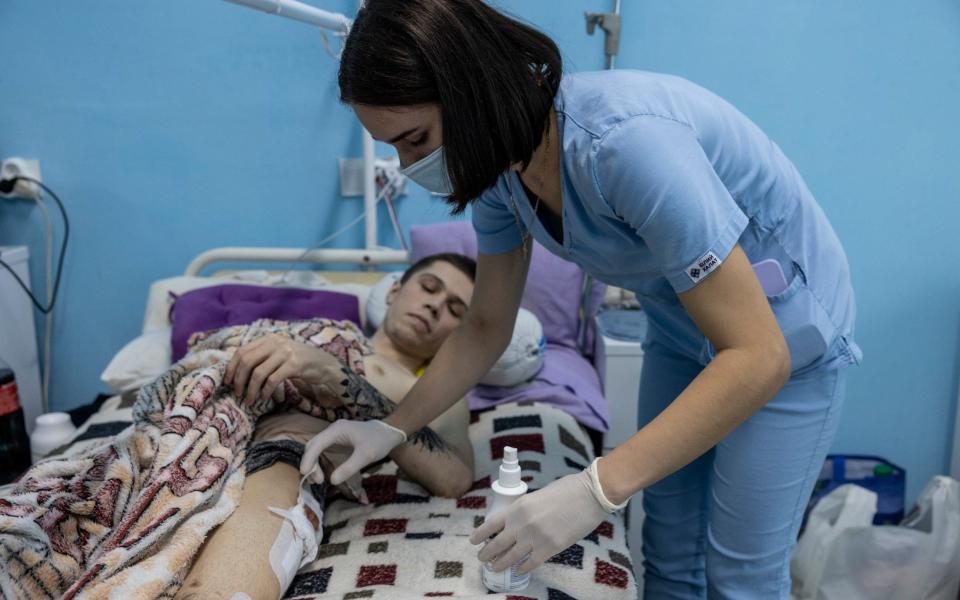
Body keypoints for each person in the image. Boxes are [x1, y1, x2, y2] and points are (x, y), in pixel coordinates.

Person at [297, 1, 862, 598]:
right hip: (679, 331)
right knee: (668, 550)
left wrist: (595, 489)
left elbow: (758, 354)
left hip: (783, 346)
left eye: (416, 139)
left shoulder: (628, 146)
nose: (410, 167)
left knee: (740, 571)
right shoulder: (498, 173)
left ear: (471, 92)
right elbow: (486, 323)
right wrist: (392, 427)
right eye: (395, 150)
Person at [177, 253, 477, 600]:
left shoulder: (441, 395)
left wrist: (335, 375)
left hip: (287, 457)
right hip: (202, 435)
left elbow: (454, 479)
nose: (435, 306)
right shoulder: (309, 335)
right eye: (428, 288)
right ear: (394, 291)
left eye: (456, 310)